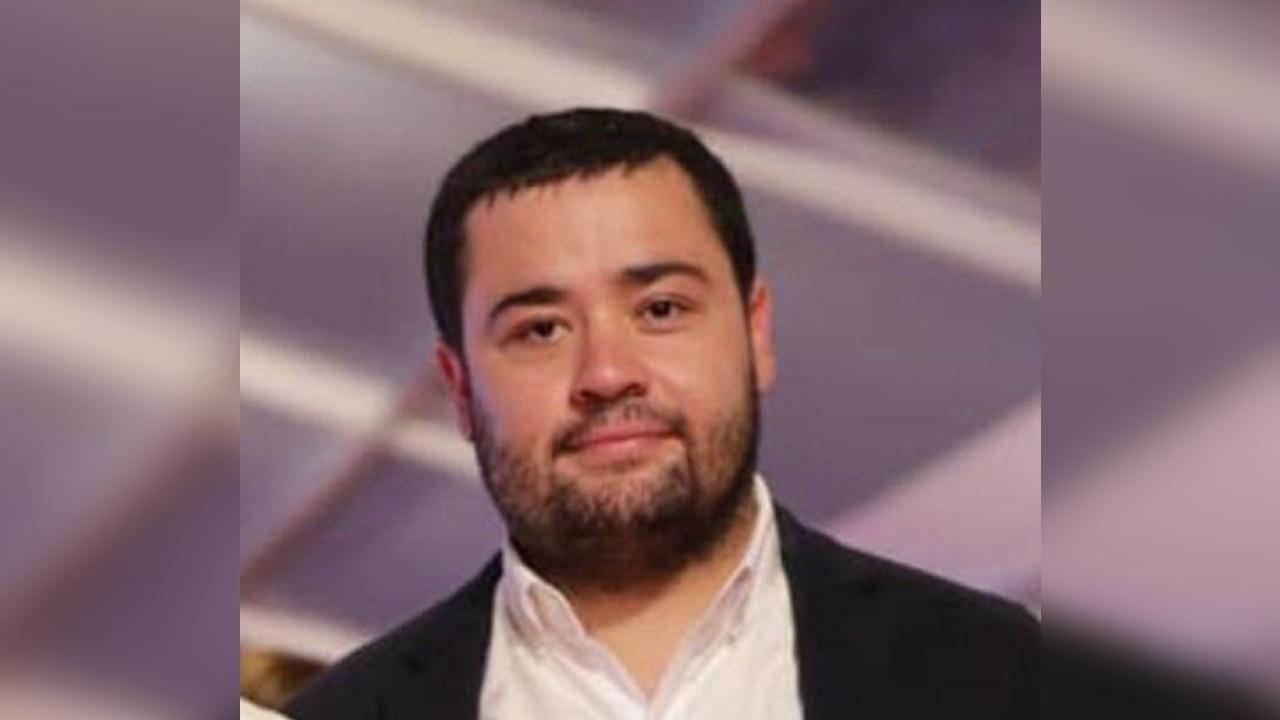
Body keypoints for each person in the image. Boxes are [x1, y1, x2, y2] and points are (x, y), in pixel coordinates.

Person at [286, 108, 1038, 719]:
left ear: (755, 333)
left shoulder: (997, 672)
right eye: (541, 330)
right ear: (459, 389)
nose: (607, 374)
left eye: (660, 309)